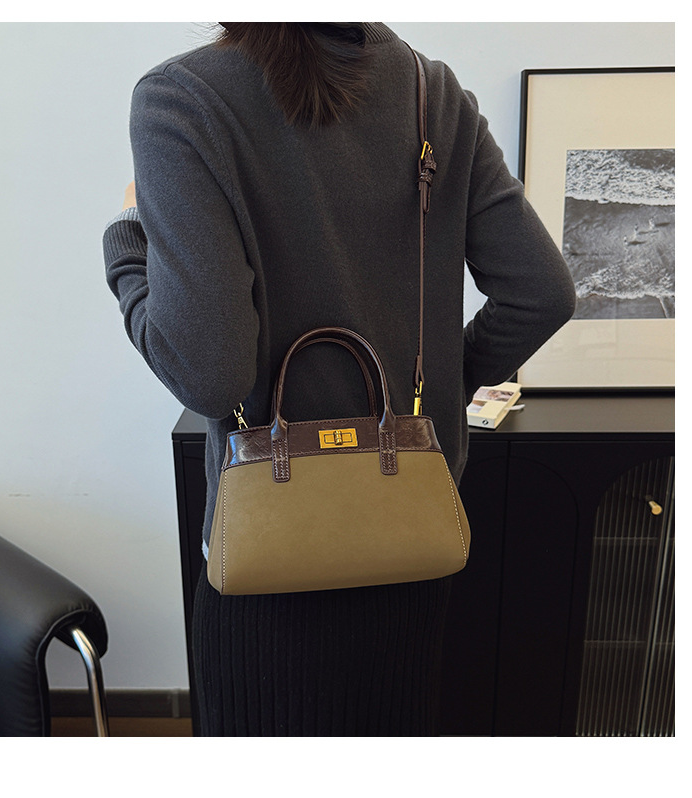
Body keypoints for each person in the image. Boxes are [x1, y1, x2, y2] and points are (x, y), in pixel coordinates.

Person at [103, 22, 576, 736]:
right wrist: (440, 387)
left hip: (267, 544)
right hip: (408, 529)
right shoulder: (430, 91)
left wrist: (126, 248)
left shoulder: (183, 98)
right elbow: (541, 293)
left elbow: (209, 374)